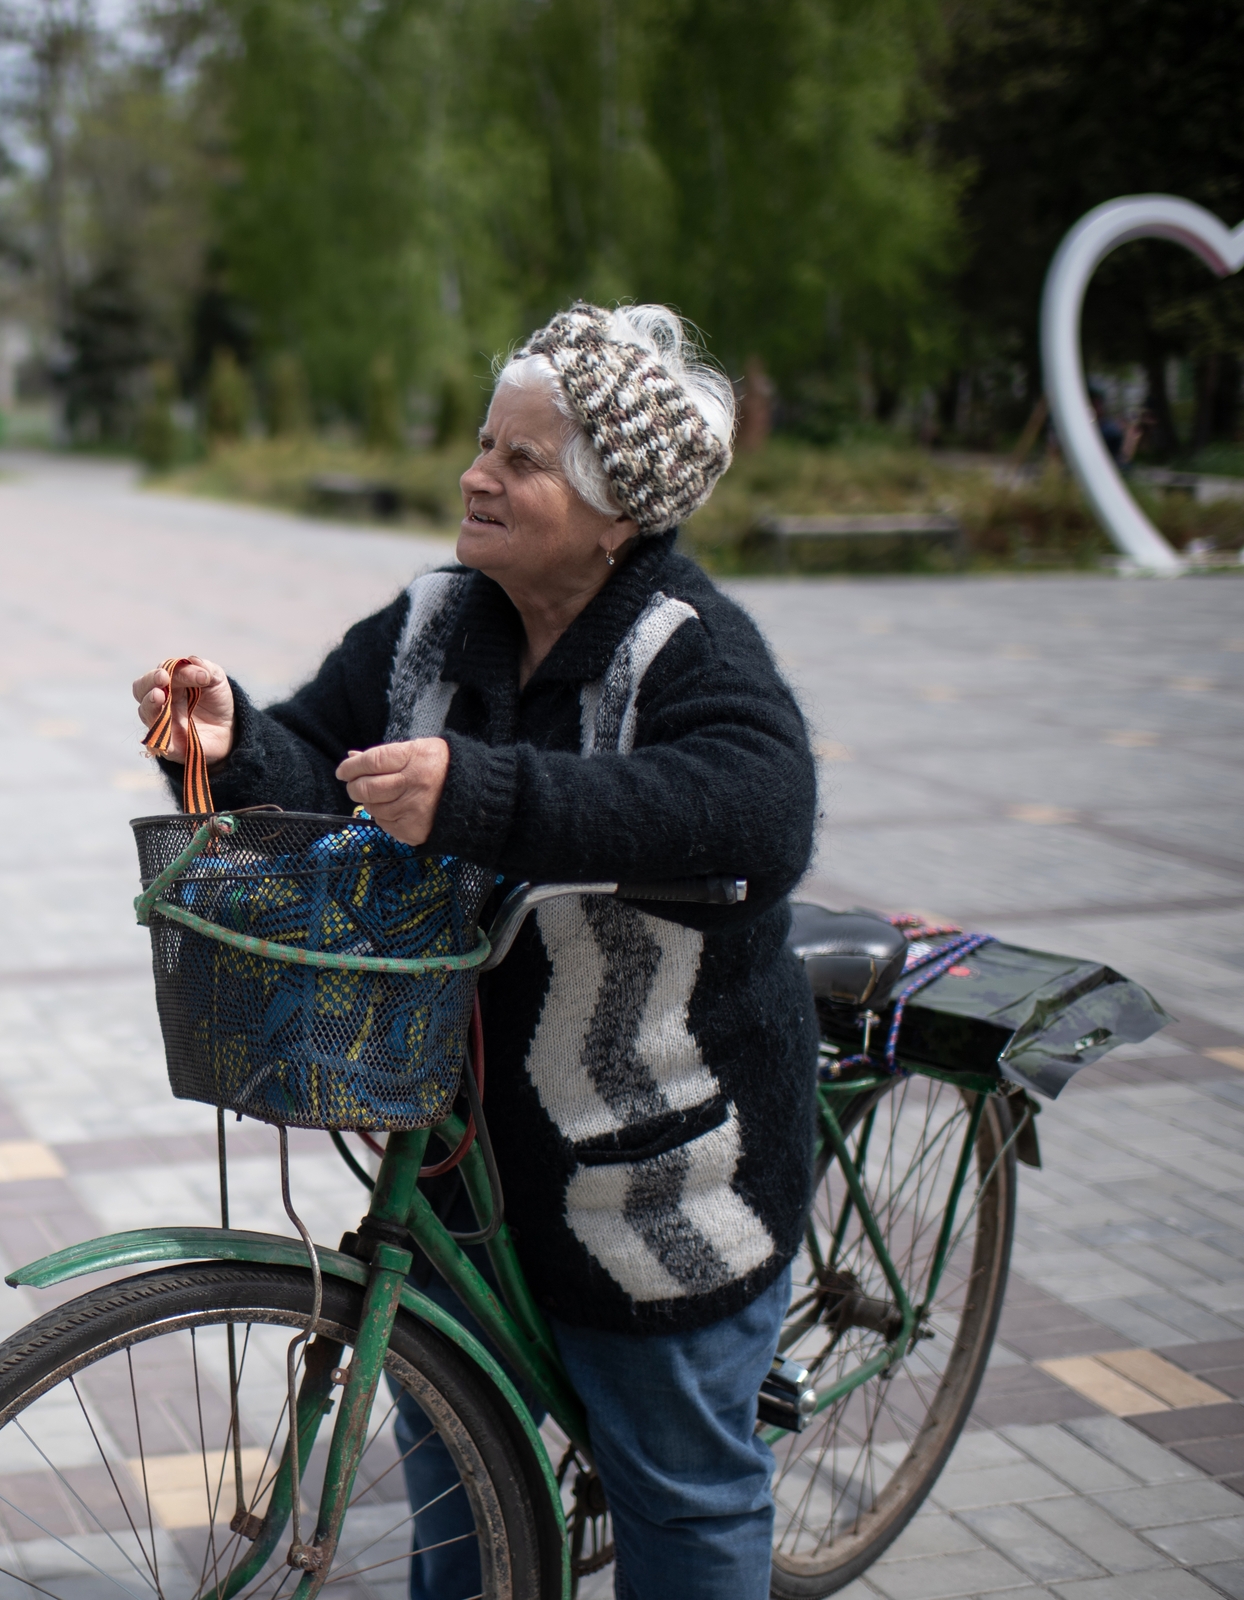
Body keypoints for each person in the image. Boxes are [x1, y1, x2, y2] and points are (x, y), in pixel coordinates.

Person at [130, 302, 818, 1599]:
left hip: (656, 1168)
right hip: (463, 1158)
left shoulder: (687, 650)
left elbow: (761, 812)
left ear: (619, 508)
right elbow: (329, 768)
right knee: (455, 1468)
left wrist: (486, 797)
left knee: (683, 1494)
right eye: (482, 445)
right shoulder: (440, 620)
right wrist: (223, 747)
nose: (477, 475)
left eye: (522, 459)